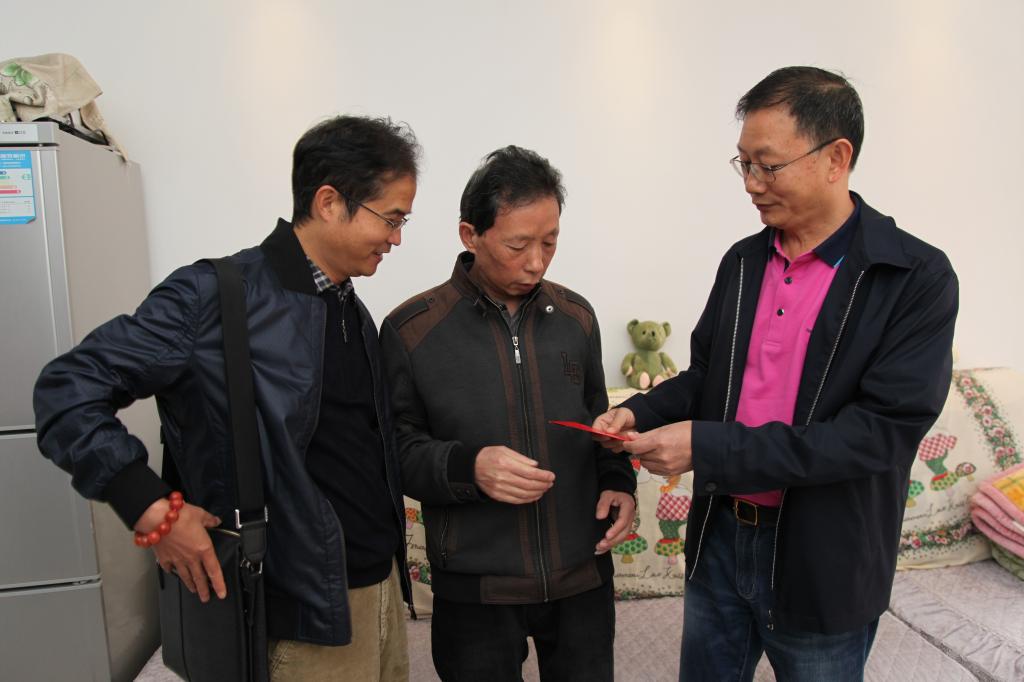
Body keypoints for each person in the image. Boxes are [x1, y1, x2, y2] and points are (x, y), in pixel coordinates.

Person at [593, 66, 959, 681]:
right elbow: (707, 378)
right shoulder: (743, 262)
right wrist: (637, 410)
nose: (751, 185)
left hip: (825, 555)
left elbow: (876, 436)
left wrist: (708, 447)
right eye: (743, 165)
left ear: (836, 158)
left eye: (768, 166)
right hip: (719, 538)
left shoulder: (913, 277)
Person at [33, 115, 420, 681]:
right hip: (293, 614)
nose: (397, 238)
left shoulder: (349, 308)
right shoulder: (215, 295)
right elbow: (67, 390)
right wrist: (152, 509)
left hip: (377, 587)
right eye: (391, 218)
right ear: (330, 202)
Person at [380, 145, 636, 681]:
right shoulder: (412, 331)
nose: (537, 262)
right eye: (518, 245)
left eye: (550, 242)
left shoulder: (576, 317)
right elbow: (394, 452)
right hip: (475, 586)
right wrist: (469, 467)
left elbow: (599, 423)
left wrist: (618, 481)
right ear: (469, 235)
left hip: (582, 574)